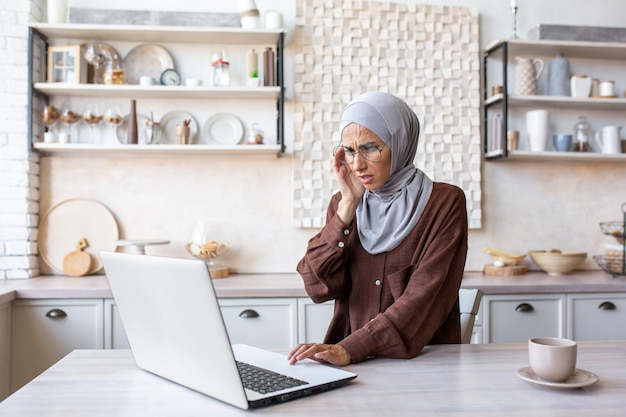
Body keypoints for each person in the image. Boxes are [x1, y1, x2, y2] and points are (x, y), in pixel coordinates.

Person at [288, 92, 468, 366]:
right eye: (349, 151)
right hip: (351, 363)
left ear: (400, 142)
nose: (357, 165)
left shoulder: (443, 203)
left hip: (424, 363)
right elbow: (317, 286)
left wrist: (352, 348)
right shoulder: (343, 202)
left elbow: (424, 297)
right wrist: (347, 206)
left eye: (370, 148)